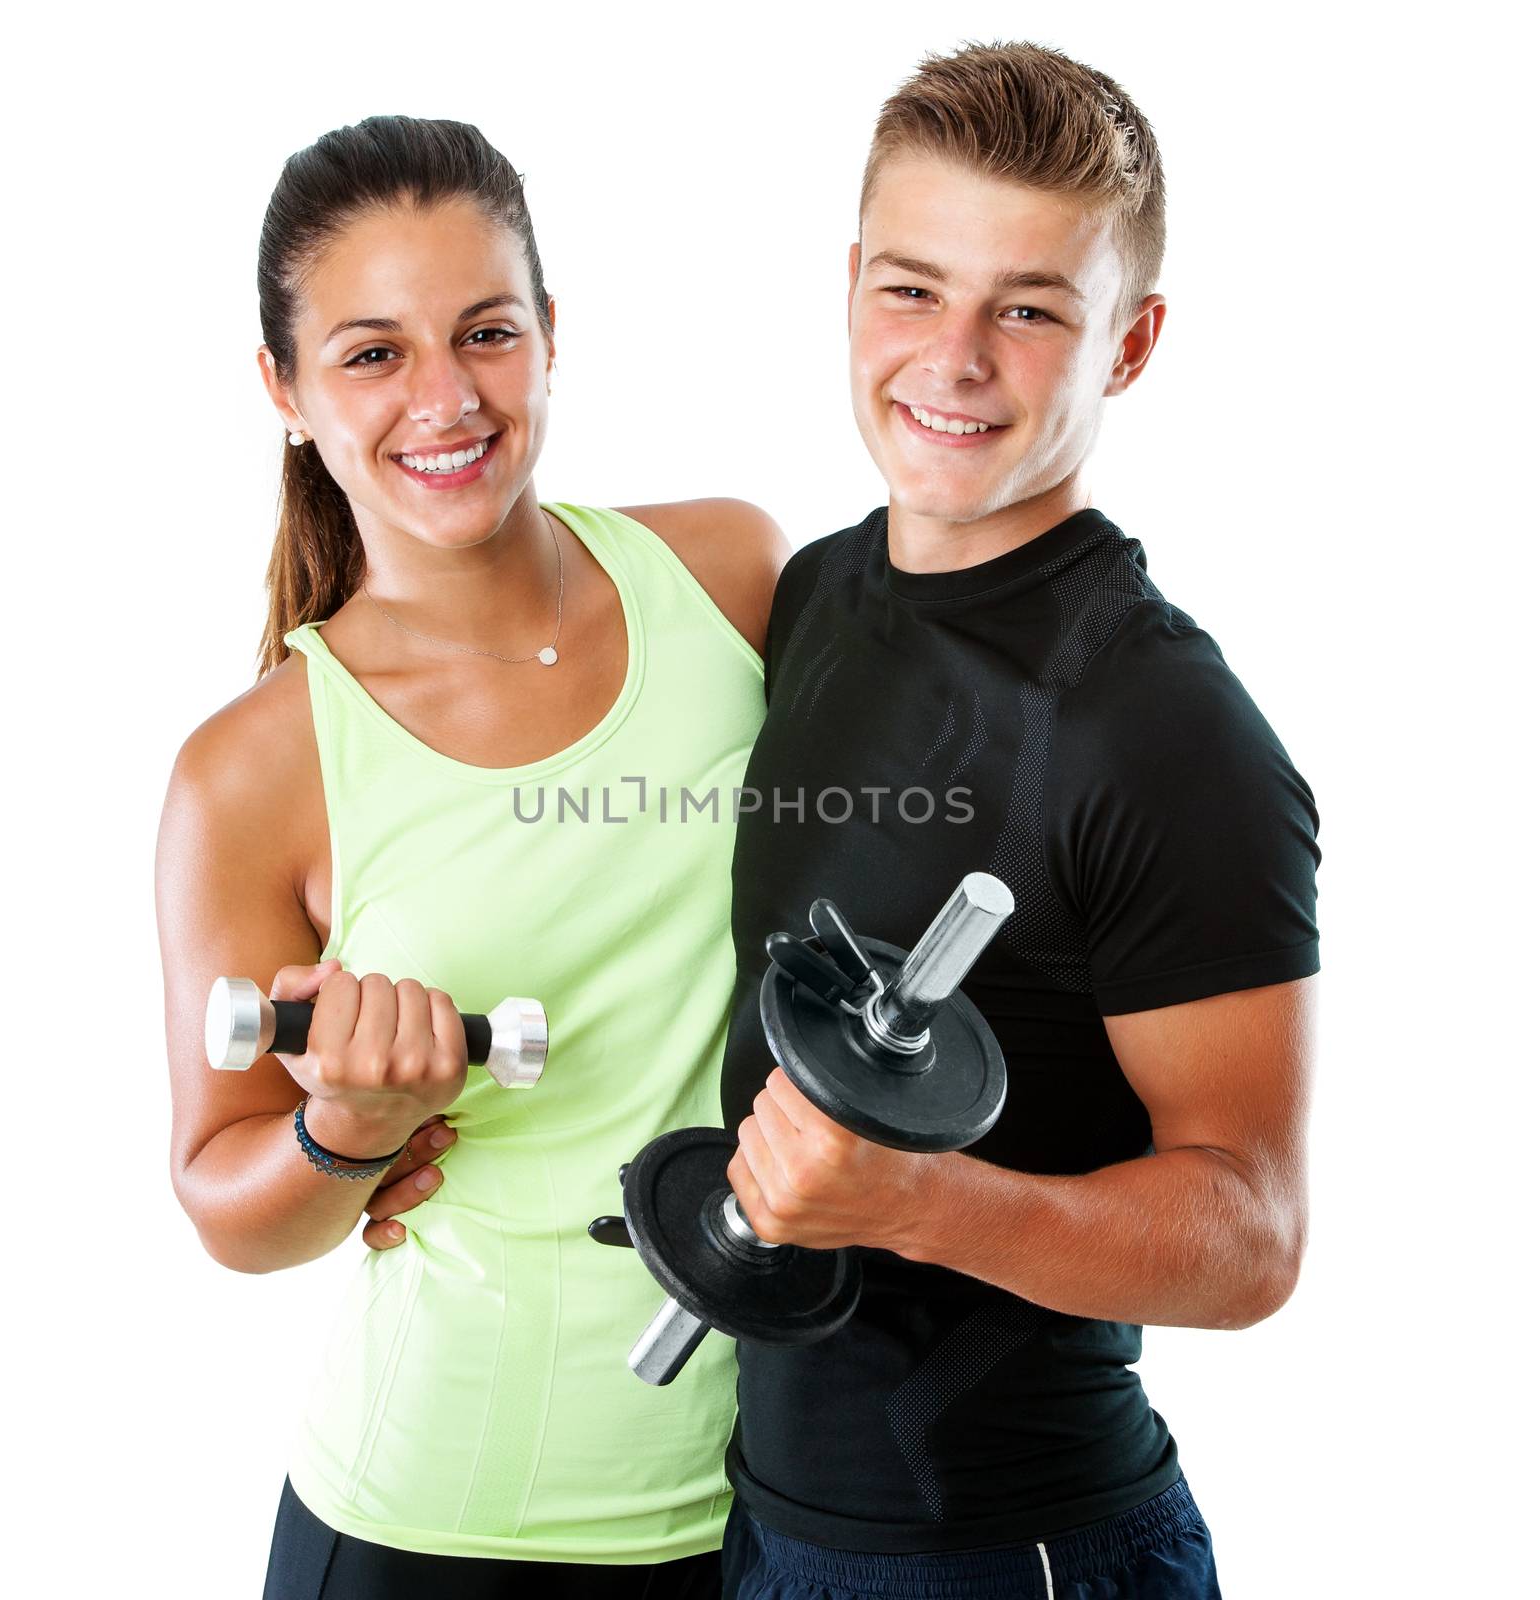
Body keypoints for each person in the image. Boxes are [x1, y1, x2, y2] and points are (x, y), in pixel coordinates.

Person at [712, 42, 1318, 1600]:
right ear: (851, 284)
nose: (955, 358)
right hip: (763, 1521)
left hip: (1013, 1550)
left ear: (1131, 343)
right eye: (914, 289)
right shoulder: (818, 597)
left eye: (1031, 308)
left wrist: (917, 1202)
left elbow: (1250, 1234)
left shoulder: (1167, 729)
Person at [154, 115, 788, 1598]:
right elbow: (222, 1201)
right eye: (372, 352)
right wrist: (349, 1131)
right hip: (438, 1523)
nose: (445, 398)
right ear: (285, 391)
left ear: (552, 338)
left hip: (780, 1493)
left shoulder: (733, 576)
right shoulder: (251, 768)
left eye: (486, 332)